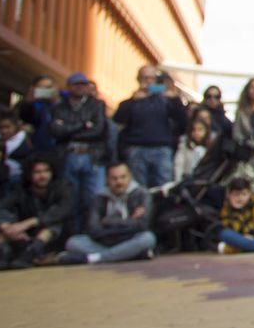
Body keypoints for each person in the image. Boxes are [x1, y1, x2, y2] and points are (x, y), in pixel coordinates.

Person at [59, 162, 156, 265]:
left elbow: (142, 225)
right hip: (105, 242)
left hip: (129, 239)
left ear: (130, 177)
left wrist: (108, 222)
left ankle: (95, 258)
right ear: (107, 179)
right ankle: (130, 255)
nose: (119, 182)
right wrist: (129, 222)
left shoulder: (142, 194)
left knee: (148, 238)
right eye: (114, 178)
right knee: (73, 242)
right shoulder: (99, 197)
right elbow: (93, 229)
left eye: (123, 177)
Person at [0, 156, 72, 270]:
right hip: (24, 236)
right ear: (29, 174)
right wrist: (5, 226)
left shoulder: (62, 187)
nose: (43, 175)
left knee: (53, 225)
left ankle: (30, 254)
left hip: (52, 240)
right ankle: (2, 255)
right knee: (1, 218)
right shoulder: (22, 190)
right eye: (37, 172)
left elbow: (61, 211)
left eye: (46, 171)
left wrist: (29, 223)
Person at [113, 64, 188, 190]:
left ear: (156, 80)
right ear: (138, 79)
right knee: (137, 188)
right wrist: (133, 100)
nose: (148, 81)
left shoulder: (166, 100)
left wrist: (175, 99)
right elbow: (118, 119)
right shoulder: (132, 101)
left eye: (151, 78)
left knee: (163, 188)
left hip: (161, 149)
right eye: (144, 78)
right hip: (137, 149)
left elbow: (183, 121)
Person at [50, 72, 107, 229]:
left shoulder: (97, 105)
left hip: (91, 155)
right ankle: (72, 234)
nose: (80, 87)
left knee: (93, 198)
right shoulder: (59, 107)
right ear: (68, 86)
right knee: (70, 198)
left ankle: (93, 232)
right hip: (68, 155)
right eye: (76, 84)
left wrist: (68, 128)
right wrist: (83, 125)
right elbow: (56, 132)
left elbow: (98, 131)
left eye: (83, 84)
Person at [173, 117, 213, 183]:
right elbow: (179, 165)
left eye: (200, 130)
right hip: (188, 179)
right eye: (194, 130)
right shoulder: (184, 146)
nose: (197, 133)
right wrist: (178, 182)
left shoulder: (211, 147)